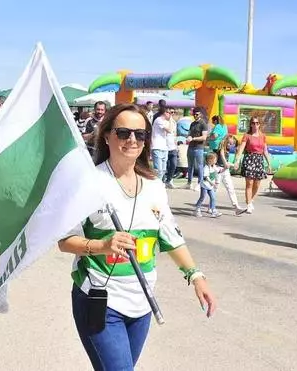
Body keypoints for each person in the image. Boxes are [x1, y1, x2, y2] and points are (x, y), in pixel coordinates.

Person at [57, 103, 216, 371]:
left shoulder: (154, 186)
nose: (132, 140)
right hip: (100, 300)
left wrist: (196, 276)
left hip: (142, 300)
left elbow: (170, 236)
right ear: (107, 136)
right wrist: (102, 245)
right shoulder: (88, 183)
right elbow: (65, 241)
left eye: (140, 134)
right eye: (123, 132)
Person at [233, 117, 272, 215]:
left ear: (259, 124)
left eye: (257, 123)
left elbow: (265, 150)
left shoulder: (263, 136)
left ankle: (251, 200)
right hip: (249, 158)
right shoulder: (247, 136)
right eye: (253, 123)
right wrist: (237, 161)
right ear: (250, 124)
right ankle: (249, 204)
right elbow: (241, 148)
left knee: (257, 184)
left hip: (259, 160)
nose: (255, 125)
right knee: (249, 183)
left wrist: (269, 163)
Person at [184, 107, 209, 191]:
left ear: (200, 114)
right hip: (191, 147)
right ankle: (189, 183)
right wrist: (188, 136)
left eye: (197, 114)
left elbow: (204, 137)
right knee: (190, 166)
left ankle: (200, 183)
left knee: (200, 166)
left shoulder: (203, 124)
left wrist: (193, 138)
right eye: (194, 114)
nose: (195, 115)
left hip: (199, 148)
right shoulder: (192, 124)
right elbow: (189, 133)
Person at [218, 135, 242, 212]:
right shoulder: (222, 145)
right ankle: (209, 207)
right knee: (214, 189)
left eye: (232, 144)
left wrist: (233, 164)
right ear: (228, 139)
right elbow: (221, 154)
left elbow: (227, 164)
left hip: (225, 171)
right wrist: (227, 163)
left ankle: (236, 206)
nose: (231, 145)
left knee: (230, 188)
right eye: (231, 143)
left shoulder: (228, 148)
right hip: (218, 170)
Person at [194, 152, 223, 217]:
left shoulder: (214, 166)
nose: (216, 160)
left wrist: (225, 168)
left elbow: (219, 171)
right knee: (202, 197)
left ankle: (214, 211)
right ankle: (197, 209)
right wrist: (212, 183)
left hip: (210, 186)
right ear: (210, 160)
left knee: (213, 198)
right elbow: (206, 177)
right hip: (205, 185)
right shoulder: (206, 167)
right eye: (214, 159)